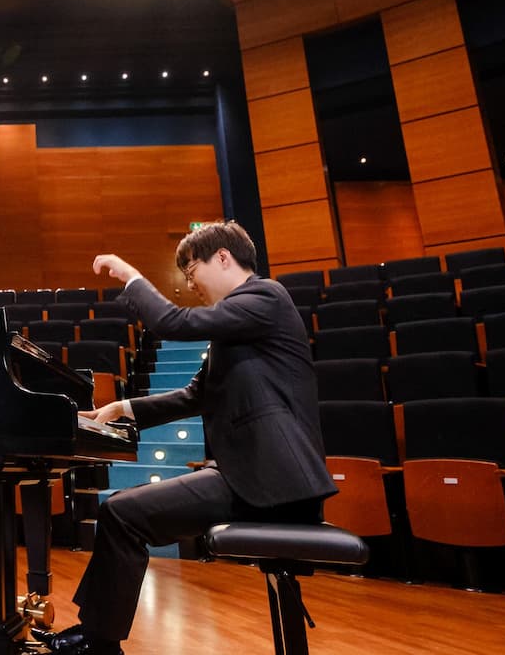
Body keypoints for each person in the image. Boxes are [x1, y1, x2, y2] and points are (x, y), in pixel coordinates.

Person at [34, 221, 335, 655]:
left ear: (224, 258)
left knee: (121, 514)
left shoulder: (265, 297)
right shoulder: (243, 321)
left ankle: (97, 643)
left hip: (272, 483)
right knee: (121, 514)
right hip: (254, 478)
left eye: (192, 273)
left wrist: (131, 276)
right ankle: (96, 638)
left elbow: (172, 324)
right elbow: (196, 394)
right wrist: (125, 408)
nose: (191, 285)